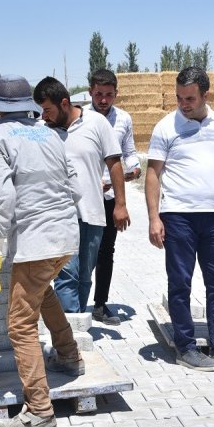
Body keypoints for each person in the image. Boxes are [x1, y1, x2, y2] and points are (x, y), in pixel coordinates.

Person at [0, 75, 82, 427]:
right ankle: (68, 355)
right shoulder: (50, 134)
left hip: (36, 243)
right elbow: (75, 185)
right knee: (42, 291)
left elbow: (3, 197)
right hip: (65, 237)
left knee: (20, 325)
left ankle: (39, 411)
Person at [146, 66, 214, 372]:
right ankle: (185, 347)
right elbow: (153, 174)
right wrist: (154, 217)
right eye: (179, 97)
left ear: (206, 95)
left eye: (190, 98)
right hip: (178, 216)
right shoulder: (165, 127)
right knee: (180, 283)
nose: (183, 104)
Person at [33, 77, 128, 314]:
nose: (44, 116)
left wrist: (120, 204)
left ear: (64, 103)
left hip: (92, 214)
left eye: (48, 110)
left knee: (84, 276)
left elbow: (114, 163)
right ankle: (70, 331)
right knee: (66, 276)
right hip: (57, 218)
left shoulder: (97, 123)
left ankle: (76, 325)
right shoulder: (41, 132)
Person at [87, 69, 142, 326]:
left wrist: (135, 167)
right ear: (90, 92)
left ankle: (100, 304)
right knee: (81, 252)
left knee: (105, 251)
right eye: (99, 94)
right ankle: (74, 305)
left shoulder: (123, 119)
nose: (103, 100)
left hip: (110, 196)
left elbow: (129, 152)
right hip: (84, 198)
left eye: (109, 95)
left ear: (116, 94)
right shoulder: (79, 118)